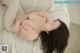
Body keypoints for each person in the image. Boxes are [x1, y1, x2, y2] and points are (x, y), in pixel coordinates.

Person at [0, 0, 70, 53]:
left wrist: (20, 20)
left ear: (48, 32)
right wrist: (22, 18)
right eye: (54, 21)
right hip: (19, 16)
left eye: (51, 24)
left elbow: (18, 25)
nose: (50, 20)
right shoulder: (46, 16)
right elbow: (30, 15)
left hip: (10, 24)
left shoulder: (32, 35)